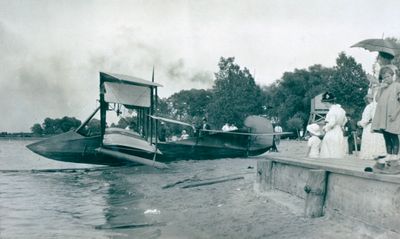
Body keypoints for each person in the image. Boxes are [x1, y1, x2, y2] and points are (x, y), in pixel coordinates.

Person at [371, 65, 400, 168]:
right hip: (382, 115)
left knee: (393, 134)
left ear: (392, 76)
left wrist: (396, 114)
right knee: (386, 135)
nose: (386, 79)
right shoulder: (383, 88)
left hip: (392, 115)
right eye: (384, 77)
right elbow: (377, 99)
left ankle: (395, 156)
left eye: (388, 76)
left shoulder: (397, 85)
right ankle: (389, 154)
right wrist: (380, 89)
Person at [357, 94, 386, 160]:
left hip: (370, 126)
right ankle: (379, 155)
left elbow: (366, 119)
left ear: (368, 99)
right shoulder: (381, 106)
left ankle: (370, 155)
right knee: (378, 140)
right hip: (379, 127)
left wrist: (359, 123)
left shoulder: (369, 107)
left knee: (370, 141)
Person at [319, 92, 347, 159]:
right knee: (338, 150)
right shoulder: (341, 110)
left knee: (329, 151)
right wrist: (341, 125)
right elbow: (345, 120)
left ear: (327, 102)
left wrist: (325, 128)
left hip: (332, 132)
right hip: (339, 131)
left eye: (324, 103)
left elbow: (331, 123)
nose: (324, 105)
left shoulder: (331, 111)